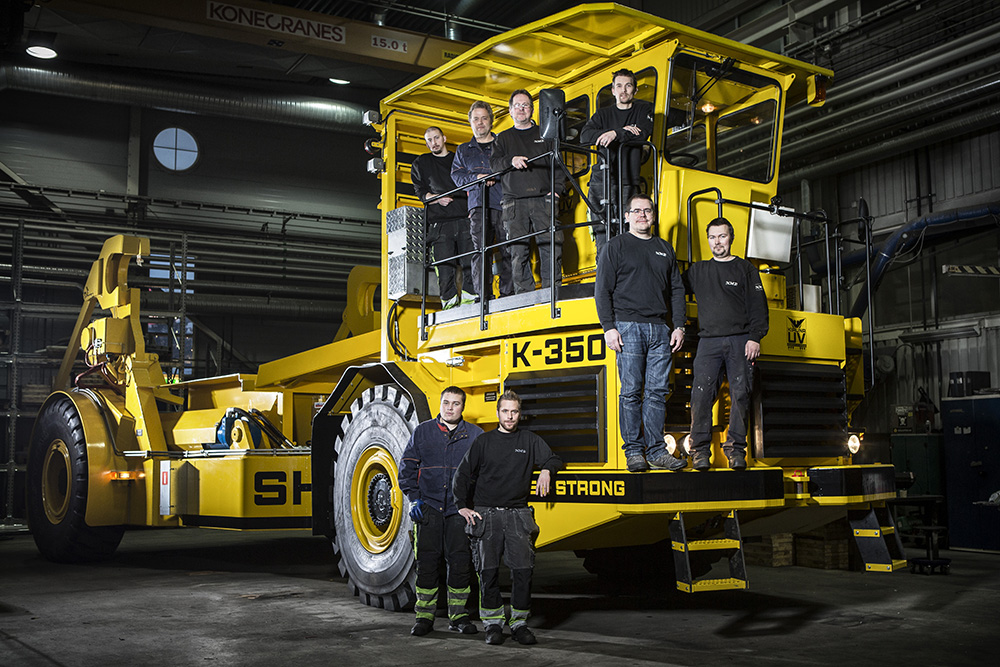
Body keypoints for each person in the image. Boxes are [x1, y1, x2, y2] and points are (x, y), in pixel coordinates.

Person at [452, 389, 562, 646]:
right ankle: (493, 625)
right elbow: (462, 474)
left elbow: (554, 459)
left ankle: (519, 624)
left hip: (517, 515)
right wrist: (461, 506)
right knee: (488, 572)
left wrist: (546, 470)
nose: (510, 416)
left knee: (523, 572)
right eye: (505, 411)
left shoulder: (530, 440)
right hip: (486, 515)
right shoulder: (484, 442)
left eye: (514, 412)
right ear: (498, 413)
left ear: (519, 414)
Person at [595, 193, 687, 473]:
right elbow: (602, 290)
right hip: (628, 326)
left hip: (660, 329)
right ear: (627, 216)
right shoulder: (615, 246)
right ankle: (634, 452)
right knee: (631, 392)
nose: (642, 215)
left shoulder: (664, 248)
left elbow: (677, 290)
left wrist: (679, 325)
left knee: (657, 393)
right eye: (636, 211)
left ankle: (657, 452)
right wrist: (609, 327)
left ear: (653, 216)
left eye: (647, 211)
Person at [684, 218, 769, 471]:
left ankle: (736, 451)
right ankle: (700, 452)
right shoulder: (698, 271)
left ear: (731, 238)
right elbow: (673, 287)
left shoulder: (745, 269)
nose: (717, 242)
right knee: (700, 396)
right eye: (712, 237)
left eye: (722, 236)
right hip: (708, 342)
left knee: (740, 395)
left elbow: (758, 306)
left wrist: (755, 336)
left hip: (741, 340)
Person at [398, 386, 484, 637]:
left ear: (463, 407)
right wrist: (414, 500)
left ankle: (459, 616)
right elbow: (407, 469)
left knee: (460, 563)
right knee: (426, 563)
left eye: (456, 404)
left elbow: (483, 474)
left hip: (459, 511)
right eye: (446, 402)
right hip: (429, 508)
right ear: (440, 403)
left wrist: (473, 505)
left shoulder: (476, 435)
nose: (450, 408)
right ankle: (424, 617)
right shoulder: (422, 432)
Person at [490, 90, 563, 294]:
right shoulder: (503, 139)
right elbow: (494, 165)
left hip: (544, 200)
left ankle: (552, 292)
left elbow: (558, 165)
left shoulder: (546, 134)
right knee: (518, 251)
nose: (521, 109)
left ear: (532, 109)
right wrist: (510, 161)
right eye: (517, 105)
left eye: (525, 105)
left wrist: (556, 192)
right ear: (510, 111)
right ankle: (524, 296)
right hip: (514, 203)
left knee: (551, 247)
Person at [579, 69, 654, 260]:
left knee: (628, 231)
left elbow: (643, 132)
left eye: (628, 86)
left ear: (635, 90)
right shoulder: (602, 114)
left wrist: (614, 134)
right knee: (602, 231)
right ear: (613, 90)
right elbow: (585, 136)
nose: (623, 90)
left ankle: (626, 270)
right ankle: (603, 268)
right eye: (619, 86)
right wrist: (622, 131)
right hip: (601, 180)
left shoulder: (643, 110)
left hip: (628, 180)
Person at [451, 101, 514, 299]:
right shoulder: (463, 150)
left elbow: (511, 167)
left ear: (491, 121)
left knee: (509, 248)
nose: (480, 122)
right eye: (476, 119)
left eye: (484, 118)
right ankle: (483, 296)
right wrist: (477, 178)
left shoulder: (503, 144)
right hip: (478, 206)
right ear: (470, 122)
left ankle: (508, 293)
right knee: (480, 251)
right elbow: (457, 176)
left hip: (504, 202)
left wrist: (492, 175)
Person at [410, 126, 476, 309]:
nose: (434, 143)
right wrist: (437, 199)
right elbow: (420, 192)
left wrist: (473, 209)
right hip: (440, 225)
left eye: (436, 138)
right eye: (429, 140)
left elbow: (471, 185)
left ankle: (472, 302)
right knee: (444, 270)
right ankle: (449, 306)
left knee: (471, 263)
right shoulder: (421, 163)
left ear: (444, 138)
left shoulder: (459, 159)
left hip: (464, 219)